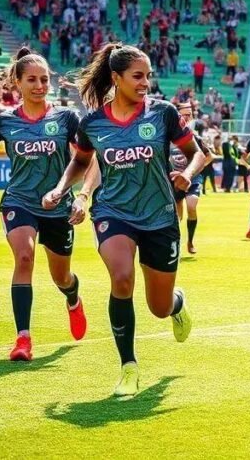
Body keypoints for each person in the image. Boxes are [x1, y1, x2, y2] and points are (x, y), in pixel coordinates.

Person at [44, 43, 204, 397]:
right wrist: (61, 188)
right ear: (116, 78)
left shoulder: (162, 113)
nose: (145, 82)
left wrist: (188, 174)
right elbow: (82, 162)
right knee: (121, 276)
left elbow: (197, 155)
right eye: (138, 76)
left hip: (159, 215)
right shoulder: (93, 122)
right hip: (113, 212)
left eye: (148, 75)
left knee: (159, 308)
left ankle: (177, 304)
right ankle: (128, 366)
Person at [0, 47, 94, 361]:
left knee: (61, 277)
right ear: (18, 83)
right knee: (24, 258)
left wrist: (81, 197)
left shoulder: (66, 118)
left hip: (57, 206)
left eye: (44, 79)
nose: (39, 85)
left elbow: (88, 160)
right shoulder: (5, 122)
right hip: (18, 202)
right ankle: (23, 339)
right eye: (32, 80)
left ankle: (73, 298)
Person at [170, 102, 213, 254]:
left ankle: (190, 241)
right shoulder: (168, 136)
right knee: (176, 214)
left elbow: (208, 156)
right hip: (174, 180)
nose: (188, 118)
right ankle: (176, 242)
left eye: (191, 115)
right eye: (185, 115)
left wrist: (195, 170)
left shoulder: (195, 137)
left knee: (192, 206)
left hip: (192, 179)